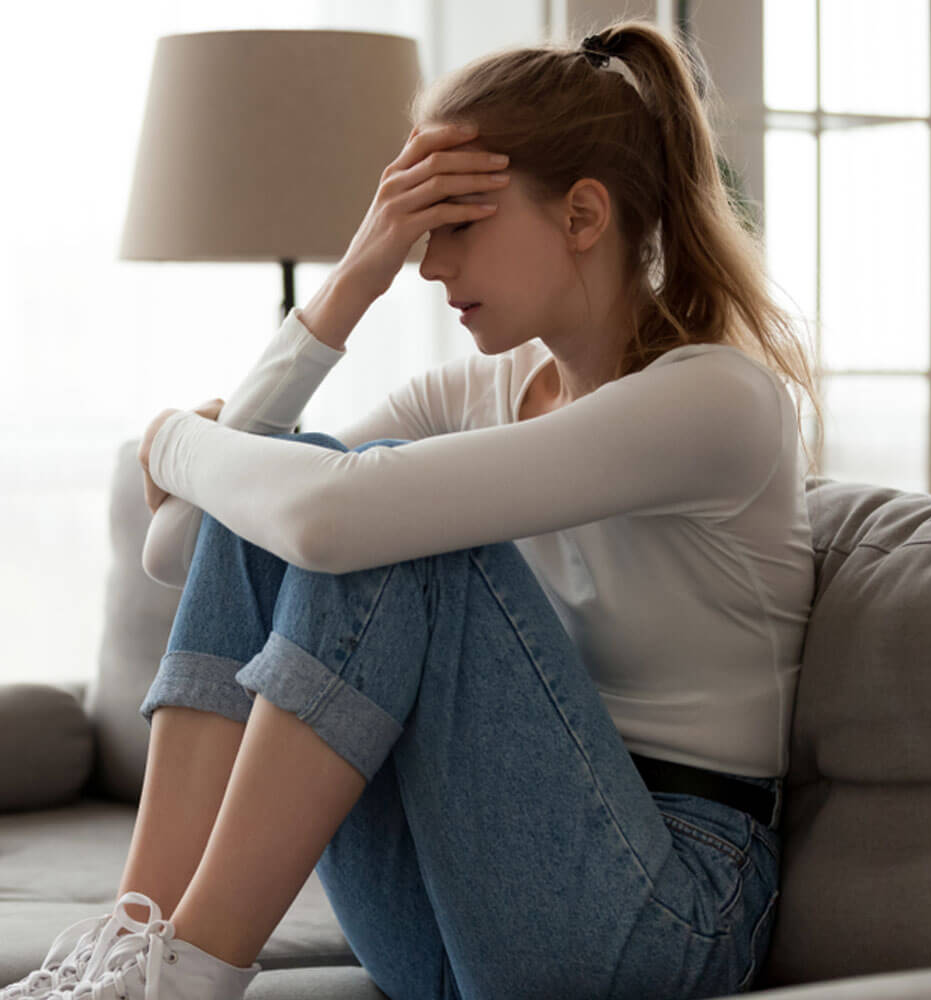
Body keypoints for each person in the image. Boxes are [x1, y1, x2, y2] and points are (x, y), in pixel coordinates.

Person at [5, 18, 823, 1000]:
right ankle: (127, 953)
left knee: (388, 525)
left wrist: (178, 438)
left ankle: (186, 976)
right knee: (306, 493)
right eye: (414, 233)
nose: (427, 270)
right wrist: (354, 276)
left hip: (663, 910)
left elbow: (328, 517)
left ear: (581, 215)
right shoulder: (466, 398)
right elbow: (184, 540)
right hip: (463, 894)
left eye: (455, 227)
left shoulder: (714, 401)